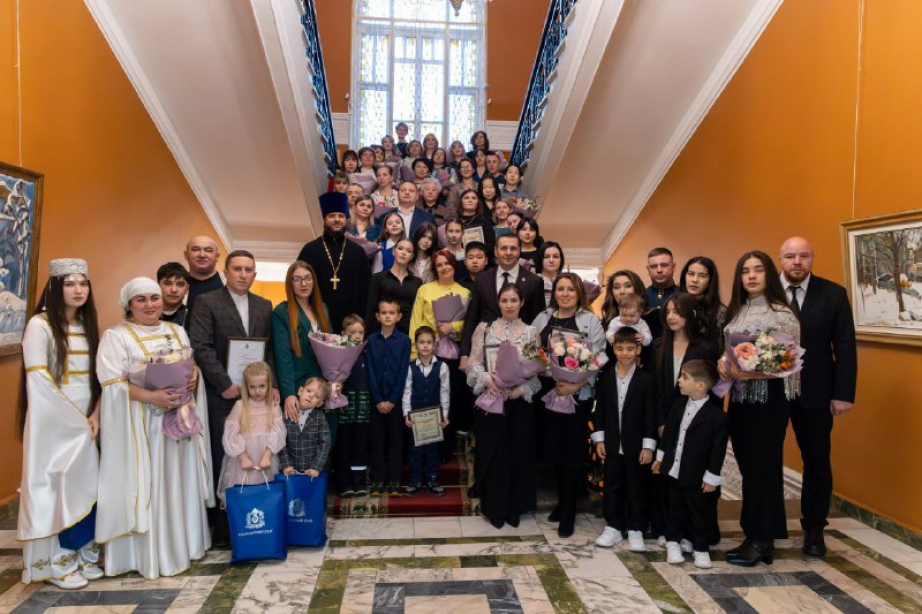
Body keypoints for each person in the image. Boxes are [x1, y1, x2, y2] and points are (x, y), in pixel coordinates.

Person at [96, 277, 212, 578]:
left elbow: (189, 365)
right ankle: (150, 555)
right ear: (129, 305)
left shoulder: (177, 331)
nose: (150, 305)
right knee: (152, 483)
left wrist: (194, 376)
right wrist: (152, 397)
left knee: (178, 481)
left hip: (178, 421)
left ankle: (184, 546)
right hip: (143, 426)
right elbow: (112, 384)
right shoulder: (115, 336)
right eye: (141, 300)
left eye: (154, 298)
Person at [19, 259, 103, 589]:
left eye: (83, 283)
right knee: (55, 489)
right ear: (55, 288)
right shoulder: (39, 325)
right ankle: (56, 564)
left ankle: (82, 553)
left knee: (85, 485)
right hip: (53, 423)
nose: (78, 290)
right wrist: (75, 421)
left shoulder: (87, 324)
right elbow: (39, 381)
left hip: (87, 423)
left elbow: (100, 379)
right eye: (70, 283)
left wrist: (95, 416)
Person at [188, 250, 276, 545]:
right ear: (225, 272)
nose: (243, 274)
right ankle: (223, 527)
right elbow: (200, 346)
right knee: (223, 455)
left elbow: (269, 348)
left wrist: (271, 384)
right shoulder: (206, 302)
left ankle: (256, 520)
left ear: (254, 274)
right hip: (221, 395)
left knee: (255, 454)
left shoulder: (264, 305)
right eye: (237, 268)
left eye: (248, 269)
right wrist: (224, 383)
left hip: (256, 396)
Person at [719, 250, 800, 566]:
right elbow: (729, 351)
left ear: (769, 274)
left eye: (758, 270)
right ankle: (753, 535)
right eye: (745, 271)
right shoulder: (737, 311)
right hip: (740, 400)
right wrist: (724, 363)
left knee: (764, 469)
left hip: (770, 401)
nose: (751, 276)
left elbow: (787, 363)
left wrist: (747, 372)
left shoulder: (782, 313)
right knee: (749, 469)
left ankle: (763, 539)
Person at [778, 236, 857, 558]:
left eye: (804, 256)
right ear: (780, 259)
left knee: (817, 462)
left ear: (812, 258)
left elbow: (845, 346)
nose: (797, 262)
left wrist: (843, 393)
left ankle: (814, 529)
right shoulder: (763, 292)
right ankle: (767, 527)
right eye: (790, 256)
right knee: (765, 460)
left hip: (816, 392)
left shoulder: (833, 294)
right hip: (771, 392)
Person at [532, 273, 606, 537]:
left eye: (570, 289)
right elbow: (531, 349)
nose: (565, 294)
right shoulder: (542, 317)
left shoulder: (590, 320)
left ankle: (569, 510)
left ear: (579, 294)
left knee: (573, 454)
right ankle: (562, 501)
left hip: (577, 395)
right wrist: (541, 366)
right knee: (554, 451)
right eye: (560, 289)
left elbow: (599, 357)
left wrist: (576, 385)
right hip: (547, 393)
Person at [467, 283, 540, 528]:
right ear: (498, 303)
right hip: (492, 398)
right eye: (504, 300)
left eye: (514, 300)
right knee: (494, 454)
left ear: (521, 303)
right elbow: (473, 364)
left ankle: (515, 507)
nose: (509, 305)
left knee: (518, 453)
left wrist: (521, 390)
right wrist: (487, 380)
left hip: (518, 402)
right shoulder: (485, 329)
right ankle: (495, 507)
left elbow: (536, 372)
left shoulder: (531, 332)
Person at [649, 292, 717, 544]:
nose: (671, 317)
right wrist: (660, 421)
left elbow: (711, 389)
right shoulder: (658, 346)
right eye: (667, 312)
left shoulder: (705, 347)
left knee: (691, 477)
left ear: (689, 314)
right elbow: (655, 387)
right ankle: (666, 529)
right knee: (664, 476)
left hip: (696, 423)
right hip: (665, 420)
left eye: (677, 312)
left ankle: (695, 532)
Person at [653, 360, 728, 570]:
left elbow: (718, 450)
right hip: (674, 470)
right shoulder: (678, 406)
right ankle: (673, 543)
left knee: (699, 512)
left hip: (697, 476)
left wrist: (712, 476)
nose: (679, 380)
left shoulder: (717, 417)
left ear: (700, 386)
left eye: (685, 377)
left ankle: (701, 548)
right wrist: (660, 459)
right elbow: (668, 436)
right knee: (674, 508)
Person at [591, 327, 657, 552]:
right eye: (620, 348)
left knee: (637, 486)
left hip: (636, 445)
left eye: (630, 348)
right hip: (612, 443)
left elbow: (650, 415)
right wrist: (599, 439)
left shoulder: (647, 380)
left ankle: (636, 527)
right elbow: (600, 410)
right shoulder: (606, 377)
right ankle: (614, 526)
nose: (625, 353)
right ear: (613, 349)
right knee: (612, 485)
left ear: (638, 349)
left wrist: (648, 446)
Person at [409, 249, 472, 453]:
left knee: (449, 399)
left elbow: (469, 324)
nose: (444, 267)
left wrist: (452, 327)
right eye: (439, 265)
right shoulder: (425, 290)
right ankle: (425, 448)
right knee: (427, 398)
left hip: (452, 354)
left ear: (454, 265)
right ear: (435, 269)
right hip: (427, 352)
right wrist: (414, 353)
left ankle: (446, 449)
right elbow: (415, 321)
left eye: (447, 263)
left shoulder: (464, 292)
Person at [460, 234, 546, 363]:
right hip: (486, 352)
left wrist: (535, 359)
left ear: (519, 251)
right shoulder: (482, 279)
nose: (508, 252)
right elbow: (471, 318)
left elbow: (537, 322)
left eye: (513, 248)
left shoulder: (534, 281)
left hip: (521, 356)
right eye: (504, 248)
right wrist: (465, 355)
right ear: (496, 251)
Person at [298, 192, 372, 332]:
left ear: (346, 219)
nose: (337, 220)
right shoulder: (310, 250)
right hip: (315, 322)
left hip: (350, 327)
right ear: (324, 219)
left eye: (341, 216)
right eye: (332, 216)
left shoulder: (358, 252)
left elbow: (366, 292)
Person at [271, 261, 330, 424]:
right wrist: (289, 393)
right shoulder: (281, 312)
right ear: (290, 283)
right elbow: (283, 357)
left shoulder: (323, 309)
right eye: (297, 279)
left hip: (322, 386)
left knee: (325, 433)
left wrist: (335, 379)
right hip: (298, 386)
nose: (304, 283)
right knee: (299, 435)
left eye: (308, 278)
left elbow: (332, 348)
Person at [217, 362, 286, 501]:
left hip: (265, 459)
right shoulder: (240, 406)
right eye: (252, 387)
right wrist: (243, 457)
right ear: (246, 386)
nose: (257, 391)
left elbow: (279, 433)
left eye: (262, 386)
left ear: (269, 385)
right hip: (243, 462)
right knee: (244, 496)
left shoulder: (273, 406)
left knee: (266, 495)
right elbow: (231, 435)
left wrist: (267, 455)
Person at [366, 298, 412, 497]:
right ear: (377, 316)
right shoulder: (371, 340)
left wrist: (393, 399)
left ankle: (395, 480)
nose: (387, 316)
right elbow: (369, 370)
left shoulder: (404, 341)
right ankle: (378, 480)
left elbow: (403, 372)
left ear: (398, 316)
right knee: (376, 440)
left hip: (395, 400)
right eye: (383, 312)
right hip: (376, 400)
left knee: (395, 440)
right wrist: (377, 398)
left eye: (391, 312)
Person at [402, 326, 450, 496]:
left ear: (435, 345)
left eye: (429, 342)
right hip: (415, 417)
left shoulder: (442, 367)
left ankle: (432, 479)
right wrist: (406, 414)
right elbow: (406, 392)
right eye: (421, 342)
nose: (425, 345)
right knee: (415, 449)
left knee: (432, 449)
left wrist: (444, 415)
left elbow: (445, 392)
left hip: (434, 417)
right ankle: (415, 480)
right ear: (415, 345)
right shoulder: (409, 367)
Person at [335, 315, 372, 497]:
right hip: (345, 407)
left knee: (361, 445)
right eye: (352, 333)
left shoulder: (367, 353)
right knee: (345, 444)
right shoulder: (337, 354)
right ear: (343, 334)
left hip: (363, 407)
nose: (357, 336)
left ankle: (359, 481)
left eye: (360, 332)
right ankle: (344, 482)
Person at [279, 377, 333, 477]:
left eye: (316, 396)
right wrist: (286, 465)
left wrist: (316, 467)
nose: (311, 396)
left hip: (311, 471)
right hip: (290, 470)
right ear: (300, 391)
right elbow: (280, 442)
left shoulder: (320, 418)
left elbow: (325, 444)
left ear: (319, 403)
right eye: (309, 391)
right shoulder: (286, 414)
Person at [367, 237, 421, 335]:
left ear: (412, 256)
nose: (403, 253)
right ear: (393, 251)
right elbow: (371, 309)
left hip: (408, 333)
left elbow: (418, 312)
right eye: (400, 248)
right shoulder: (378, 278)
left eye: (408, 251)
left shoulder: (417, 282)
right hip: (382, 333)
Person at [680, 256, 726, 352]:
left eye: (702, 276)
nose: (695, 280)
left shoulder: (720, 312)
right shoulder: (675, 305)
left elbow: (721, 349)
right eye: (691, 274)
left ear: (710, 280)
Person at [184, 235, 223, 313]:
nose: (202, 255)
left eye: (208, 250)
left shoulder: (229, 286)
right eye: (195, 249)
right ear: (186, 255)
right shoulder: (174, 286)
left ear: (217, 257)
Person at [453, 189, 495, 258]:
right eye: (466, 198)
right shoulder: (454, 222)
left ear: (477, 203)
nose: (470, 200)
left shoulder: (485, 222)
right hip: (460, 259)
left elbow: (490, 246)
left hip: (481, 259)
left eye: (474, 198)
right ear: (461, 202)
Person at [158, 261, 191, 327]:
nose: (174, 290)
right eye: (167, 284)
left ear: (187, 289)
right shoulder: (147, 315)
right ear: (158, 286)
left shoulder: (193, 317)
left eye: (180, 285)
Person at [646, 247, 678, 314]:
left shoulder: (683, 294)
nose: (659, 270)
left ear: (673, 267)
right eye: (654, 266)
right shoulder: (642, 297)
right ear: (648, 270)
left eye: (664, 265)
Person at [535, 241, 564, 305]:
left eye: (556, 257)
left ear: (561, 259)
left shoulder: (566, 281)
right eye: (546, 257)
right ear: (540, 259)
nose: (551, 260)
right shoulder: (532, 281)